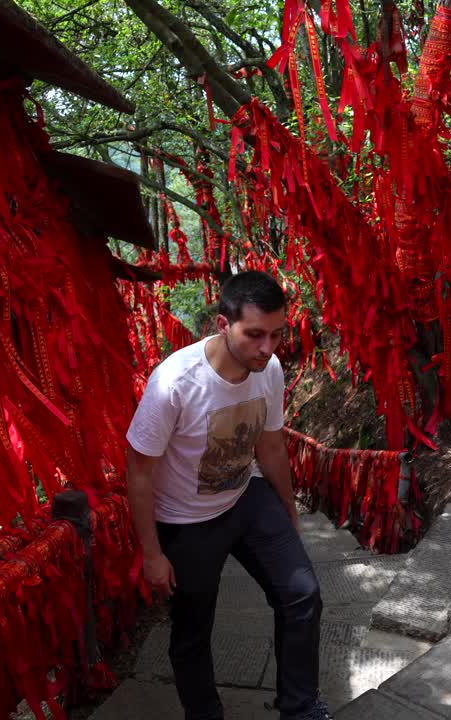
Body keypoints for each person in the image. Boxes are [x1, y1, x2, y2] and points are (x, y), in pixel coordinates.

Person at [125, 271, 330, 720]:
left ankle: (300, 706)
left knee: (302, 594)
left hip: (246, 496)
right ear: (223, 324)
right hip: (186, 519)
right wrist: (153, 553)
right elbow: (138, 472)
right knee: (192, 632)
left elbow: (271, 445)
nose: (267, 347)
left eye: (276, 335)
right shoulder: (173, 384)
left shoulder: (269, 370)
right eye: (255, 334)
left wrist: (289, 514)